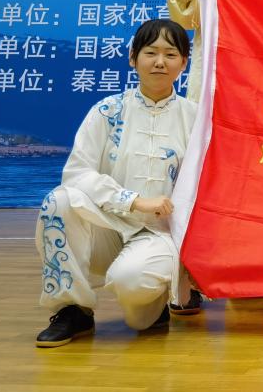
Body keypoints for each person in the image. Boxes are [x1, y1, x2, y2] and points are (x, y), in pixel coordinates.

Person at [34, 20, 198, 347]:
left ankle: (153, 302)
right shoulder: (107, 111)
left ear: (184, 63)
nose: (160, 62)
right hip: (107, 225)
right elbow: (76, 174)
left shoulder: (194, 118)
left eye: (170, 54)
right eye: (150, 53)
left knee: (136, 299)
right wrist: (132, 200)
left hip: (159, 232)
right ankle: (72, 309)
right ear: (133, 58)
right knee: (59, 201)